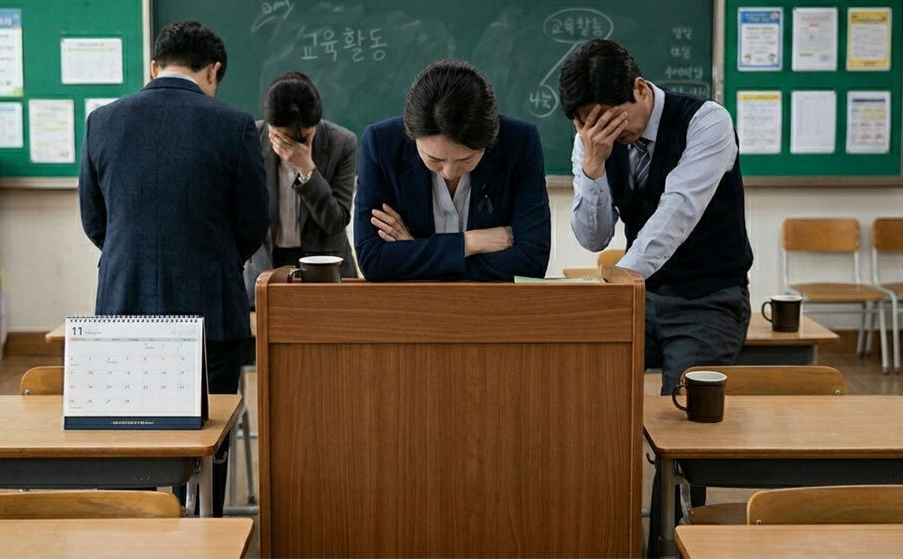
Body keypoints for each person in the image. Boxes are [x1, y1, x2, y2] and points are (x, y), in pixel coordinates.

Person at [558, 39, 753, 556]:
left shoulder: (706, 122)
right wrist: (594, 168)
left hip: (708, 296)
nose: (597, 131)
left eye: (605, 118)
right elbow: (593, 236)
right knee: (578, 394)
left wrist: (620, 276)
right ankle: (594, 528)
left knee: (682, 433)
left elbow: (677, 213)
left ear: (640, 90)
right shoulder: (592, 140)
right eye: (583, 124)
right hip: (639, 296)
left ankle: (669, 544)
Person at [78, 20, 269, 517]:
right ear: (214, 71)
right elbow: (253, 223)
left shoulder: (103, 120)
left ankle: (137, 531)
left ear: (154, 66)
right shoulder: (234, 125)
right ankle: (202, 531)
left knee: (132, 435)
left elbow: (95, 220)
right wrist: (214, 258)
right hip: (210, 305)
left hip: (125, 303)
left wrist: (134, 257)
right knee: (209, 437)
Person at [354, 58, 550, 281]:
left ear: (489, 142)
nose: (449, 172)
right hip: (407, 308)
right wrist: (470, 242)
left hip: (493, 307)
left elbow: (532, 262)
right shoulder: (382, 145)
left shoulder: (519, 142)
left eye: (465, 160)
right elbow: (373, 260)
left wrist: (415, 252)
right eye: (434, 159)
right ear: (412, 137)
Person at [243, 72, 358, 304]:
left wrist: (307, 169)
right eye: (284, 137)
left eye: (304, 137)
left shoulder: (342, 143)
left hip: (326, 268)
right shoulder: (249, 140)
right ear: (270, 125)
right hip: (266, 265)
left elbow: (335, 221)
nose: (294, 144)